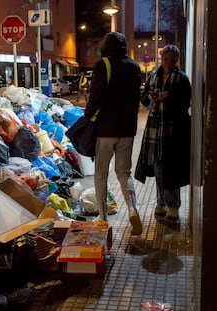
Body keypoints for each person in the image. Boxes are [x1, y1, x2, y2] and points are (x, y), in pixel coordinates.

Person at [84, 32, 143, 235]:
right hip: (127, 130)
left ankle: (102, 217)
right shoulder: (135, 67)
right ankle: (133, 209)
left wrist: (87, 115)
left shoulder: (104, 65)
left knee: (101, 174)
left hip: (105, 131)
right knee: (124, 173)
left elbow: (96, 96)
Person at [135, 44, 191, 221]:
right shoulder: (153, 75)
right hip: (155, 127)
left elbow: (185, 103)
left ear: (176, 60)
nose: (167, 61)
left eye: (171, 58)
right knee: (158, 166)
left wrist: (170, 98)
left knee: (172, 166)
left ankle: (173, 205)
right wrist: (151, 100)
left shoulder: (182, 78)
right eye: (164, 58)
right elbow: (143, 96)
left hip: (173, 129)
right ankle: (160, 202)